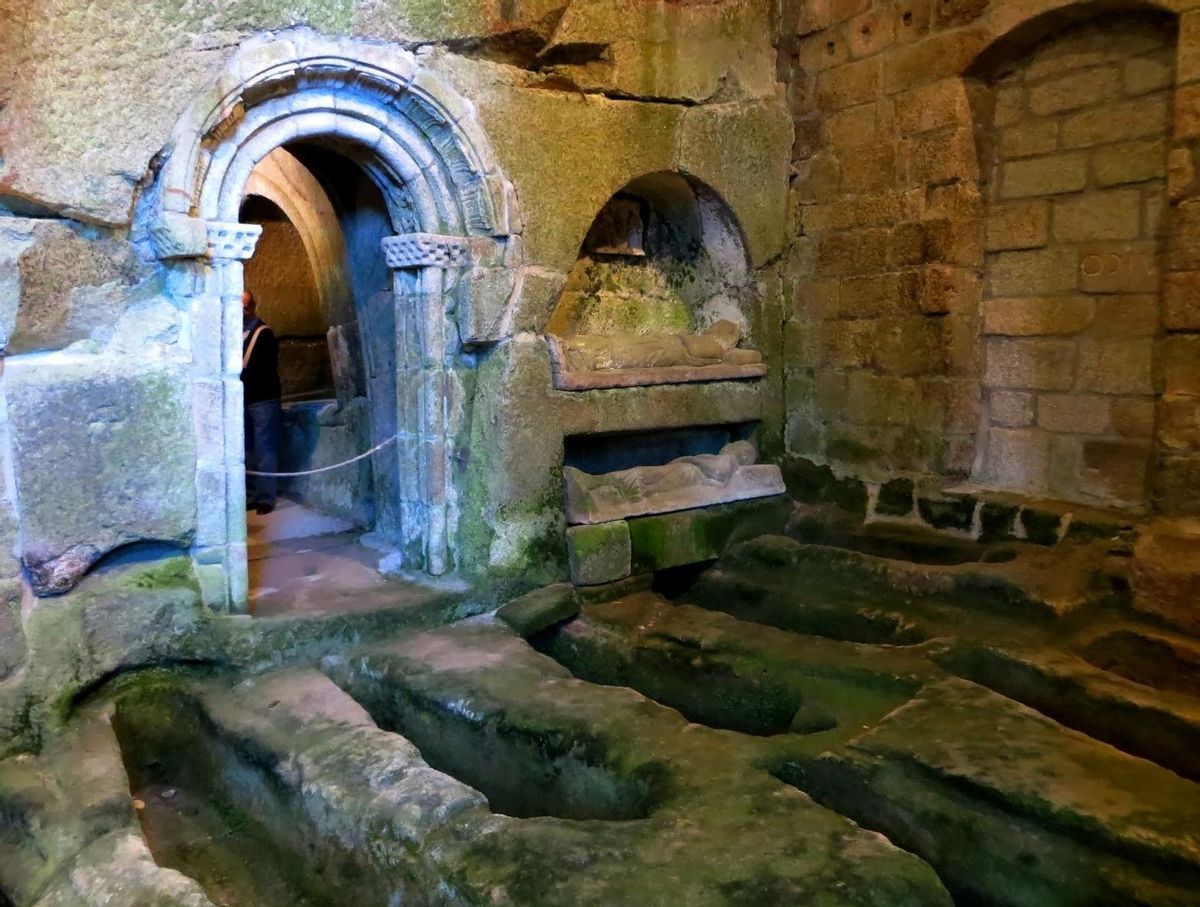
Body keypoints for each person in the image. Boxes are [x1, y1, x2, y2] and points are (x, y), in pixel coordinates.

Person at [241, 290, 282, 515]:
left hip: (263, 400)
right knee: (248, 450)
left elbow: (262, 370)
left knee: (265, 449)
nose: (241, 311)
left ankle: (266, 497)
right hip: (246, 400)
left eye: (245, 307)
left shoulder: (263, 333)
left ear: (253, 307)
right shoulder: (237, 334)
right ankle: (253, 494)